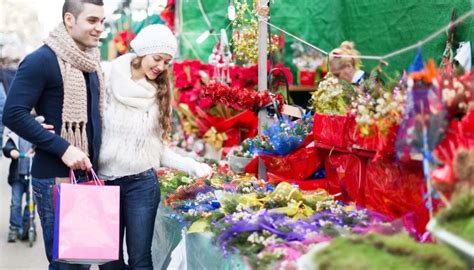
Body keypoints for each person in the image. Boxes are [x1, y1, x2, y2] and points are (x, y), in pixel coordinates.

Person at [98, 24, 212, 270]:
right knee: (108, 260)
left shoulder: (159, 94)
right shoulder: (105, 77)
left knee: (140, 259)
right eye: (157, 58)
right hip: (104, 182)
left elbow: (158, 149)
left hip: (141, 184)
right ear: (141, 52)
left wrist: (191, 165)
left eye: (167, 62)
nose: (160, 66)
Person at [2, 0, 105, 269]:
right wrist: (63, 147)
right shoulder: (41, 60)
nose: (99, 28)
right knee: (67, 263)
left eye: (102, 21)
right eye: (92, 21)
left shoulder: (90, 64)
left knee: (82, 260)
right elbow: (13, 113)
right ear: (69, 20)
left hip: (85, 175)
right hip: (55, 176)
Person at [2, 131, 33, 242]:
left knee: (31, 203)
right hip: (17, 176)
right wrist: (11, 151)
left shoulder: (36, 135)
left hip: (32, 176)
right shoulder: (15, 135)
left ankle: (27, 225)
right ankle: (15, 227)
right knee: (16, 203)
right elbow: (7, 148)